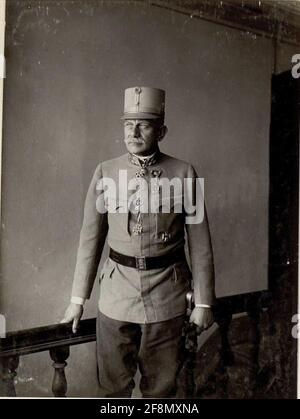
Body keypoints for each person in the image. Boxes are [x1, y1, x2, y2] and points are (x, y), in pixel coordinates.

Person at [62, 86, 215, 398]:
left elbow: (200, 244)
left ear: (161, 130)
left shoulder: (184, 173)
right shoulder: (105, 172)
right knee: (113, 391)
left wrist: (203, 302)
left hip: (167, 296)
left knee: (161, 391)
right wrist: (78, 300)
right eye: (127, 124)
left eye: (143, 124)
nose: (133, 131)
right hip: (116, 296)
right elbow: (90, 239)